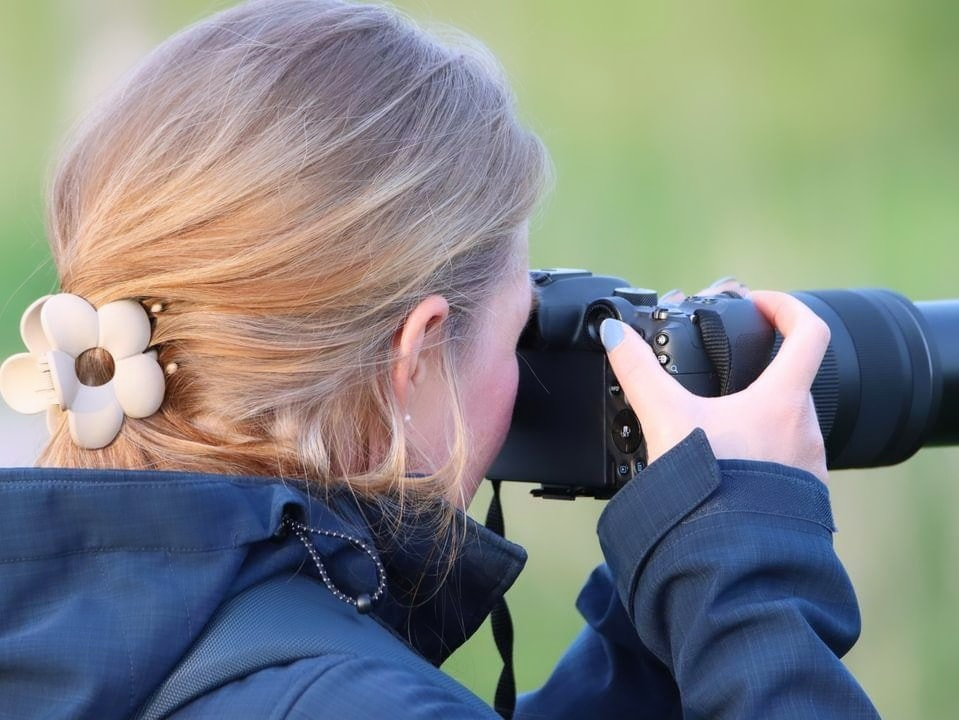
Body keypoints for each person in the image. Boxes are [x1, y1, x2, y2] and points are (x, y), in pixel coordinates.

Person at [0, 1, 879, 717]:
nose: (527, 367)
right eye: (517, 329)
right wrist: (752, 589)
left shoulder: (64, 628)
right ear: (414, 354)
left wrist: (666, 592)